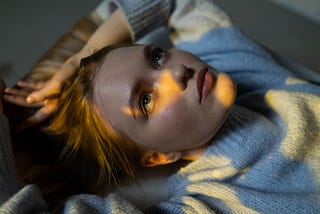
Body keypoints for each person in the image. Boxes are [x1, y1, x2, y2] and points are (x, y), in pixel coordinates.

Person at [2, 0, 320, 213]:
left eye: (156, 57)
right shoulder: (210, 201)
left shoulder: (224, 53)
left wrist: (78, 59)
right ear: (156, 156)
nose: (175, 72)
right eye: (145, 100)